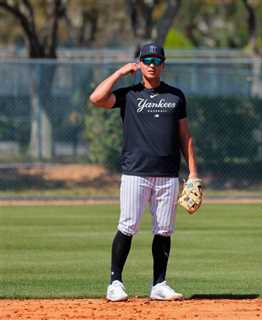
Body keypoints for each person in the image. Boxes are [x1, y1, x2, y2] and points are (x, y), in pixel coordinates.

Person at [89, 43, 199, 301]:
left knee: (164, 230)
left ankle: (159, 283)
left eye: (156, 59)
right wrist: (119, 73)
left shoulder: (175, 96)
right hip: (135, 172)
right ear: (139, 64)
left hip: (168, 173)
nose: (151, 64)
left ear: (163, 64)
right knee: (128, 225)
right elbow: (96, 98)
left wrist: (193, 173)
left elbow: (185, 136)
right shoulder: (129, 95)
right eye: (146, 59)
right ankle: (115, 282)